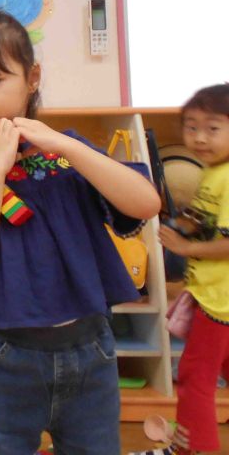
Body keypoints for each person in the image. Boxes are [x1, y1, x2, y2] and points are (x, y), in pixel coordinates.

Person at [0, 11, 161, 454]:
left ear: (31, 78)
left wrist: (66, 144)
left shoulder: (68, 152)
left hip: (89, 345)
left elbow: (146, 203)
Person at [130, 83, 229, 455]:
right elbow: (201, 217)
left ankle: (191, 449)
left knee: (194, 377)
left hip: (220, 301)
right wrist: (176, 224)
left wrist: (186, 247)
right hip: (211, 294)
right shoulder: (214, 172)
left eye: (212, 128)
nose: (199, 138)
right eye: (191, 127)